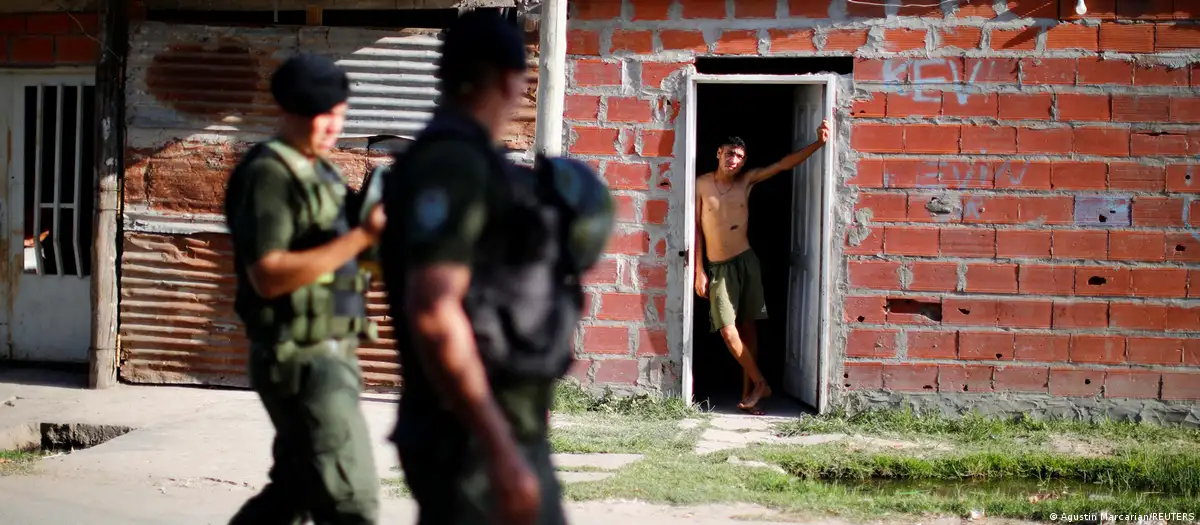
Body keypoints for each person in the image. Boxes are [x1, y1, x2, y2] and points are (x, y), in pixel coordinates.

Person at [378, 9, 614, 525]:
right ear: (513, 79)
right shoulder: (453, 165)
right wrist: (501, 449)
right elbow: (435, 311)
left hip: (475, 431)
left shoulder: (456, 161)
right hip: (472, 442)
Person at [223, 52, 385, 525]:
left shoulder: (325, 172)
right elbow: (268, 275)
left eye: (339, 114)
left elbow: (346, 257)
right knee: (349, 500)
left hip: (331, 349)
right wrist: (364, 235)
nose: (333, 126)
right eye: (322, 116)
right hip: (299, 356)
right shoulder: (269, 175)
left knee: (293, 492)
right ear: (289, 111)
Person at [694, 122, 831, 416]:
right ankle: (761, 383)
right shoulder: (701, 184)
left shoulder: (747, 181)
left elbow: (782, 165)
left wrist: (818, 143)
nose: (735, 160)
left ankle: (749, 396)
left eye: (740, 157)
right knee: (728, 331)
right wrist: (698, 270)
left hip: (746, 261)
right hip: (718, 267)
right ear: (719, 153)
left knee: (748, 329)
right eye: (730, 154)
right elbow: (694, 229)